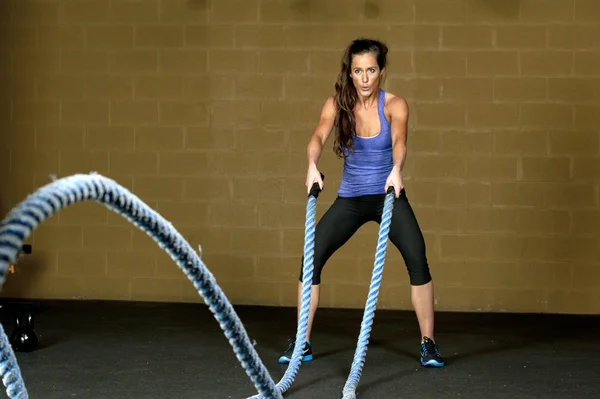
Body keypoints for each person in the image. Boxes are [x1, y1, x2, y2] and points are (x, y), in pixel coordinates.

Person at [277, 38, 444, 368]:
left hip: (388, 197)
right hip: (351, 199)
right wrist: (312, 165)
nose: (365, 78)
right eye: (358, 71)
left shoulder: (395, 105)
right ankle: (303, 341)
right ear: (350, 73)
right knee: (310, 258)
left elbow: (399, 141)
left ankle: (429, 343)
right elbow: (318, 137)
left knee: (417, 258)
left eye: (371, 70)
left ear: (381, 71)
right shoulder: (336, 105)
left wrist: (396, 171)